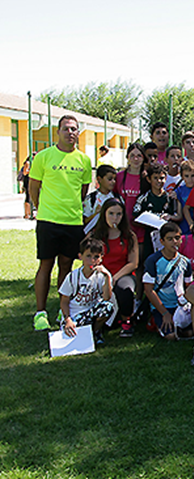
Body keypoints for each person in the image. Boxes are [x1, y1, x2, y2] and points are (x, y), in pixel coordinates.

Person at [29, 115, 93, 331]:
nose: (70, 132)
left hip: (73, 222)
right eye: (66, 129)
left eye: (74, 129)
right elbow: (33, 187)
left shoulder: (84, 160)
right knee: (45, 265)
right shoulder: (44, 157)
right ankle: (40, 313)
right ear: (58, 132)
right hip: (48, 221)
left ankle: (62, 310)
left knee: (66, 265)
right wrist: (41, 208)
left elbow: (83, 191)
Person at [92, 198, 139, 338]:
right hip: (100, 274)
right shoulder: (95, 235)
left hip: (123, 274)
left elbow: (133, 263)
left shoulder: (129, 236)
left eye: (119, 214)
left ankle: (127, 321)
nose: (115, 218)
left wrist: (114, 278)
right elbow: (90, 259)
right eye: (111, 213)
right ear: (104, 214)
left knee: (124, 288)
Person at [58, 237, 114, 344]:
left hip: (91, 312)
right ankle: (84, 333)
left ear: (101, 258)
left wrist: (107, 277)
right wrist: (68, 319)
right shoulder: (72, 277)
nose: (92, 261)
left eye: (96, 257)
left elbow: (107, 298)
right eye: (88, 256)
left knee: (108, 307)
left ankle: (95, 332)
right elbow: (64, 300)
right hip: (75, 315)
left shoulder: (101, 275)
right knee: (72, 330)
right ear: (80, 256)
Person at [143, 222, 194, 340]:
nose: (174, 242)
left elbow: (189, 286)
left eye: (177, 238)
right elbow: (149, 290)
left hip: (180, 307)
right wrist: (164, 313)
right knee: (171, 336)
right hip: (161, 306)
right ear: (162, 241)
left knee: (192, 333)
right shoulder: (153, 261)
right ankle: (155, 320)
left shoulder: (185, 261)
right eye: (170, 239)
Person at [133, 163, 182, 262]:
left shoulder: (170, 198)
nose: (159, 181)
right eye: (155, 178)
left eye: (162, 178)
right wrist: (148, 220)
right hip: (149, 238)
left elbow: (177, 216)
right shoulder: (143, 198)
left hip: (167, 239)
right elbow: (135, 217)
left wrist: (170, 217)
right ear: (149, 179)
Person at [115, 143, 149, 246]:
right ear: (127, 157)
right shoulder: (119, 177)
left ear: (143, 158)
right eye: (132, 156)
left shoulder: (147, 178)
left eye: (139, 156)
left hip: (141, 228)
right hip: (123, 226)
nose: (136, 159)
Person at [82, 164, 120, 233]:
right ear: (99, 179)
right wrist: (96, 213)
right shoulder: (91, 199)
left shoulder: (117, 198)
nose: (113, 182)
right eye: (109, 179)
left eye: (114, 179)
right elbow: (84, 221)